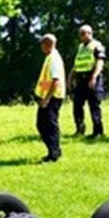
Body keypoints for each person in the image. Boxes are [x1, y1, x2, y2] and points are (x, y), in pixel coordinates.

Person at [34, 34, 65, 163]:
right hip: (49, 97)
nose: (41, 47)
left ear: (47, 44)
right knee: (42, 124)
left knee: (49, 125)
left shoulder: (53, 59)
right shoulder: (50, 57)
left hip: (52, 97)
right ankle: (54, 150)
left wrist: (46, 99)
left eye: (42, 44)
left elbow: (56, 81)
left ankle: (54, 153)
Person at [71, 24, 106, 139]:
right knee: (77, 105)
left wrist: (94, 77)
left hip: (92, 78)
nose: (83, 35)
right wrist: (70, 77)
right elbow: (77, 64)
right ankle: (80, 129)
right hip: (81, 80)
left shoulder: (97, 45)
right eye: (81, 34)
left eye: (85, 33)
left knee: (94, 106)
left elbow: (100, 62)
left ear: (90, 33)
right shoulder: (80, 47)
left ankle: (98, 131)